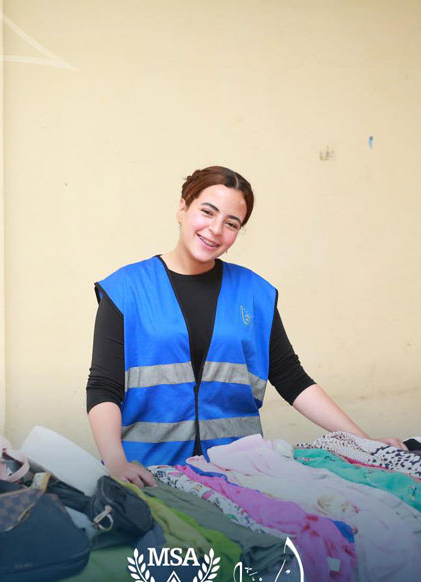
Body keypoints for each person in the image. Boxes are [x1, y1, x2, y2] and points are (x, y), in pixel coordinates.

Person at [86, 166, 404, 487]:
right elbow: (103, 386)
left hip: (239, 475)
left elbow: (292, 378)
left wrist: (365, 443)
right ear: (182, 209)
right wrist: (116, 461)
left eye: (231, 223)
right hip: (149, 474)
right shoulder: (126, 289)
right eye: (207, 212)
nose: (215, 230)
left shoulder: (255, 293)